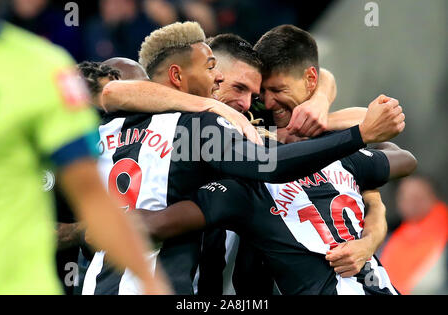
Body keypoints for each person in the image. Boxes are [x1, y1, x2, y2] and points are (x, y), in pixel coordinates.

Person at [82, 21, 405, 295]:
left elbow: (110, 93)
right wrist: (212, 107)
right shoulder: (208, 124)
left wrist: (320, 105)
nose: (247, 104)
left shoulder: (108, 127)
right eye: (226, 81)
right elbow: (271, 165)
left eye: (254, 95)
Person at [0, 19, 171, 294]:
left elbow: (95, 200)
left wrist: (152, 284)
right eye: (116, 101)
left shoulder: (42, 68)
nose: (130, 113)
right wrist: (82, 230)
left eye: (141, 97)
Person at [135, 138, 417, 295]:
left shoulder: (246, 188)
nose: (268, 102)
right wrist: (373, 201)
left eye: (276, 90)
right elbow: (397, 152)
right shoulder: (341, 157)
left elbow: (155, 224)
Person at [380, 175, 448, 294]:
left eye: (417, 197)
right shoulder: (393, 233)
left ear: (433, 197)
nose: (411, 203)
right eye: (404, 197)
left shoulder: (443, 231)